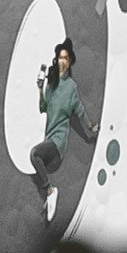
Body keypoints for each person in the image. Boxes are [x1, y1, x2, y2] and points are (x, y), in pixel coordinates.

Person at [29, 35, 86, 185]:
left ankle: (49, 189)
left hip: (57, 144)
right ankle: (47, 191)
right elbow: (42, 108)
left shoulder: (70, 87)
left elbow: (79, 110)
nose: (62, 61)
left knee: (34, 154)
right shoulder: (50, 88)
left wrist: (90, 127)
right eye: (60, 58)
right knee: (37, 156)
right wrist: (40, 89)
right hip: (49, 142)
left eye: (65, 58)